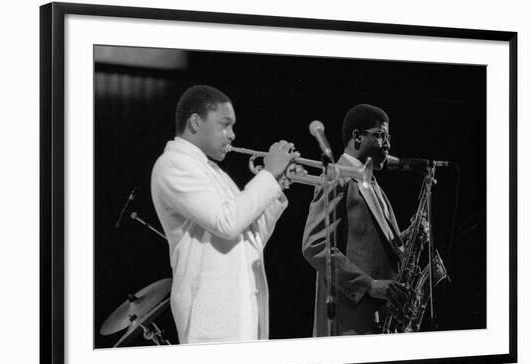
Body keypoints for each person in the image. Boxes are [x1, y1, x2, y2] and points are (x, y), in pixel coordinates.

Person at [151, 85, 299, 344]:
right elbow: (227, 223)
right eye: (225, 125)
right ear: (196, 122)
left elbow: (250, 241)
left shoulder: (216, 172)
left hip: (240, 311)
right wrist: (268, 175)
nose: (232, 135)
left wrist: (275, 189)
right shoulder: (173, 164)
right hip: (211, 320)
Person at [302, 103, 408, 336]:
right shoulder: (336, 176)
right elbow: (315, 246)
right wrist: (368, 285)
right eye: (381, 136)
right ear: (357, 137)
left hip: (379, 317)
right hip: (351, 321)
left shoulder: (373, 185)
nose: (388, 144)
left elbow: (371, 243)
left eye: (389, 137)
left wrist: (408, 237)